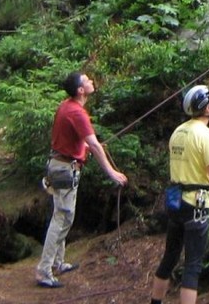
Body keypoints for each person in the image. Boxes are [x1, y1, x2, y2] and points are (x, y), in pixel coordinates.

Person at [149, 85, 209, 304]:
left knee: (169, 258)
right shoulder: (207, 135)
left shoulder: (178, 132)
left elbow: (194, 167)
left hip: (175, 202)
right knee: (192, 265)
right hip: (196, 206)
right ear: (205, 107)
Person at [35, 71, 128, 289]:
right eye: (87, 81)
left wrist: (84, 147)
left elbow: (70, 139)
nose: (92, 82)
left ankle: (57, 262)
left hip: (62, 165)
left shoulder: (67, 106)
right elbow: (94, 145)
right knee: (61, 217)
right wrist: (112, 172)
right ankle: (44, 270)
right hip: (65, 169)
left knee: (65, 217)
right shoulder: (76, 112)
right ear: (80, 90)